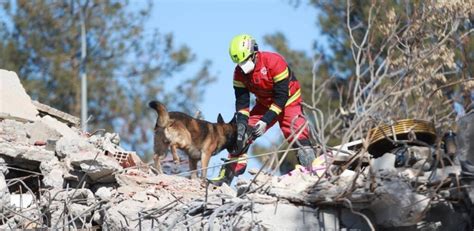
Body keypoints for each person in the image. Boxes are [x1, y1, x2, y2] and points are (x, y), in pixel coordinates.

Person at [211, 34, 316, 185]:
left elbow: (281, 96)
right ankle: (226, 175)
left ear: (254, 53)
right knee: (241, 135)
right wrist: (241, 125)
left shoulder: (274, 62)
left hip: (289, 100)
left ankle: (312, 170)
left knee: (296, 132)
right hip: (264, 104)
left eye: (245, 60)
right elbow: (242, 102)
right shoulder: (238, 74)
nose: (243, 65)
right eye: (240, 63)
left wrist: (265, 121)